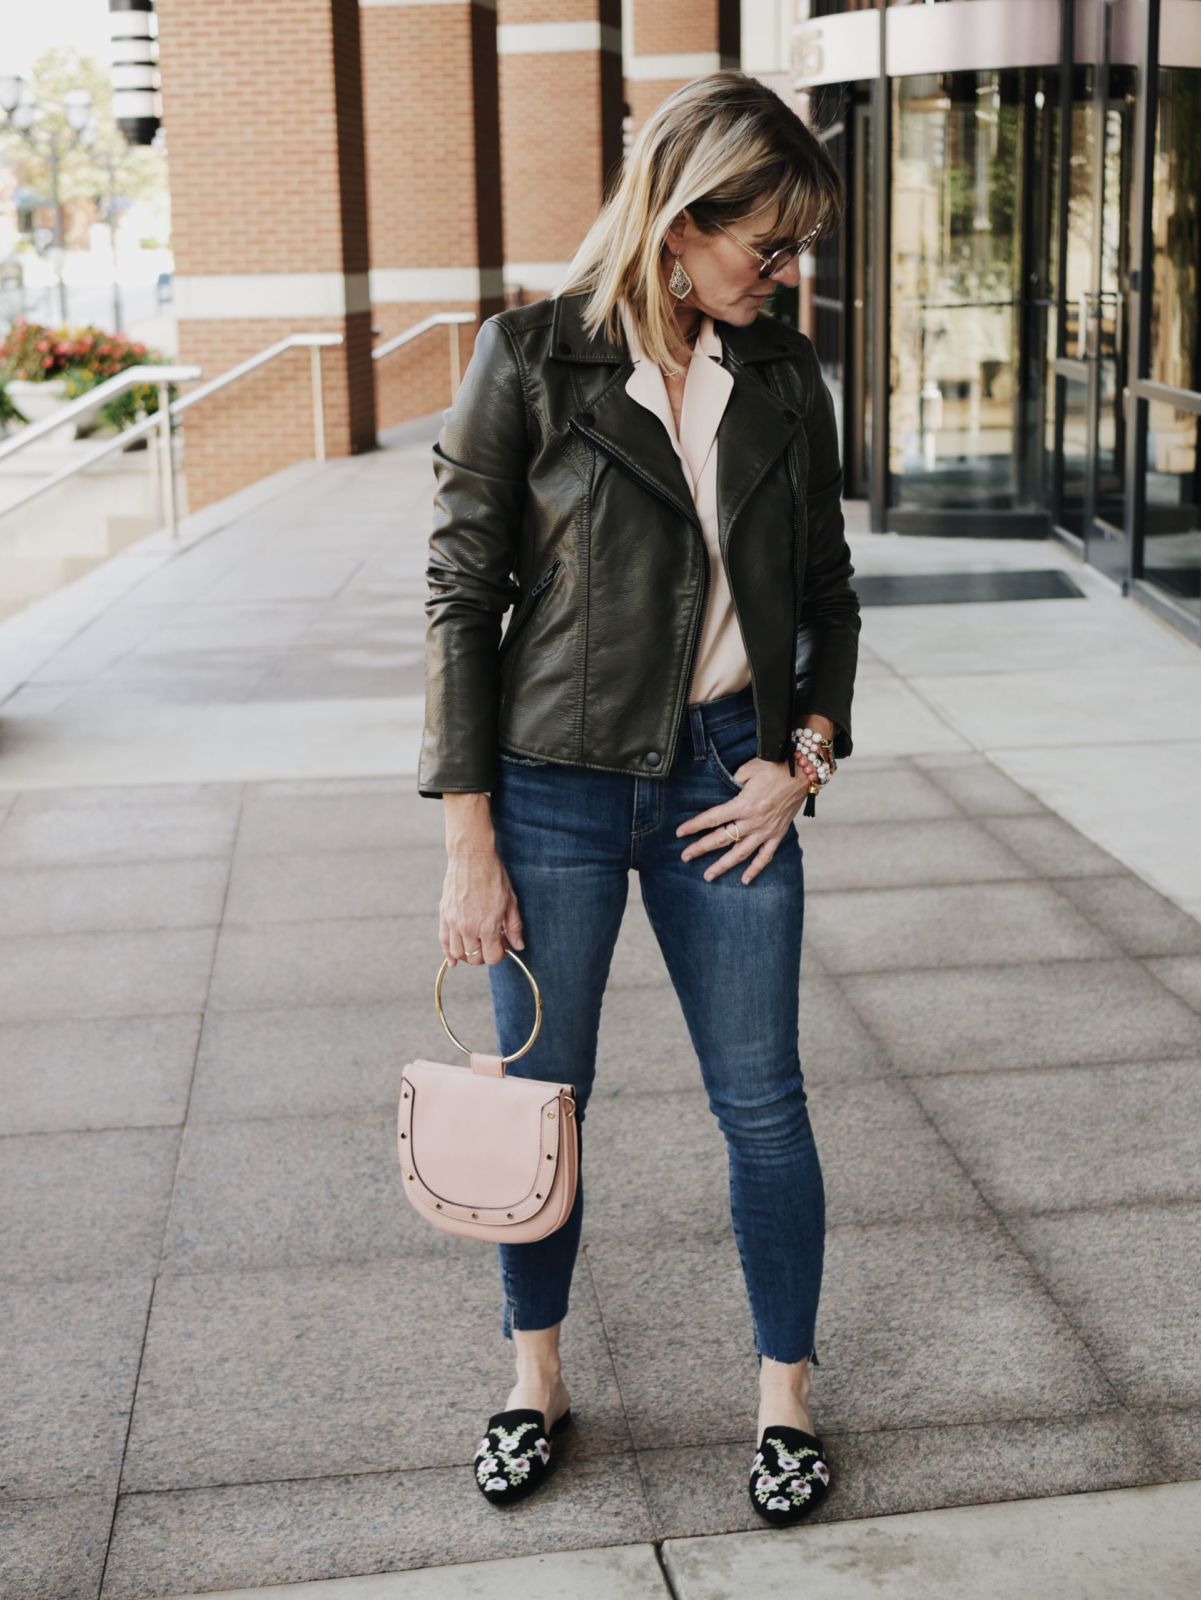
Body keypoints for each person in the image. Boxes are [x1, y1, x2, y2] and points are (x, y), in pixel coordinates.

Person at [418, 70, 860, 1525]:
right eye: (766, 244)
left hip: (724, 781)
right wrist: (468, 842)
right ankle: (532, 1378)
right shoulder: (532, 360)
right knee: (540, 1103)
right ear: (681, 222)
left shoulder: (785, 380)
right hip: (547, 790)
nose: (782, 271)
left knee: (764, 1109)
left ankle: (783, 1398)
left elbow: (828, 604)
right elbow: (459, 601)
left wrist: (794, 764)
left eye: (791, 249)